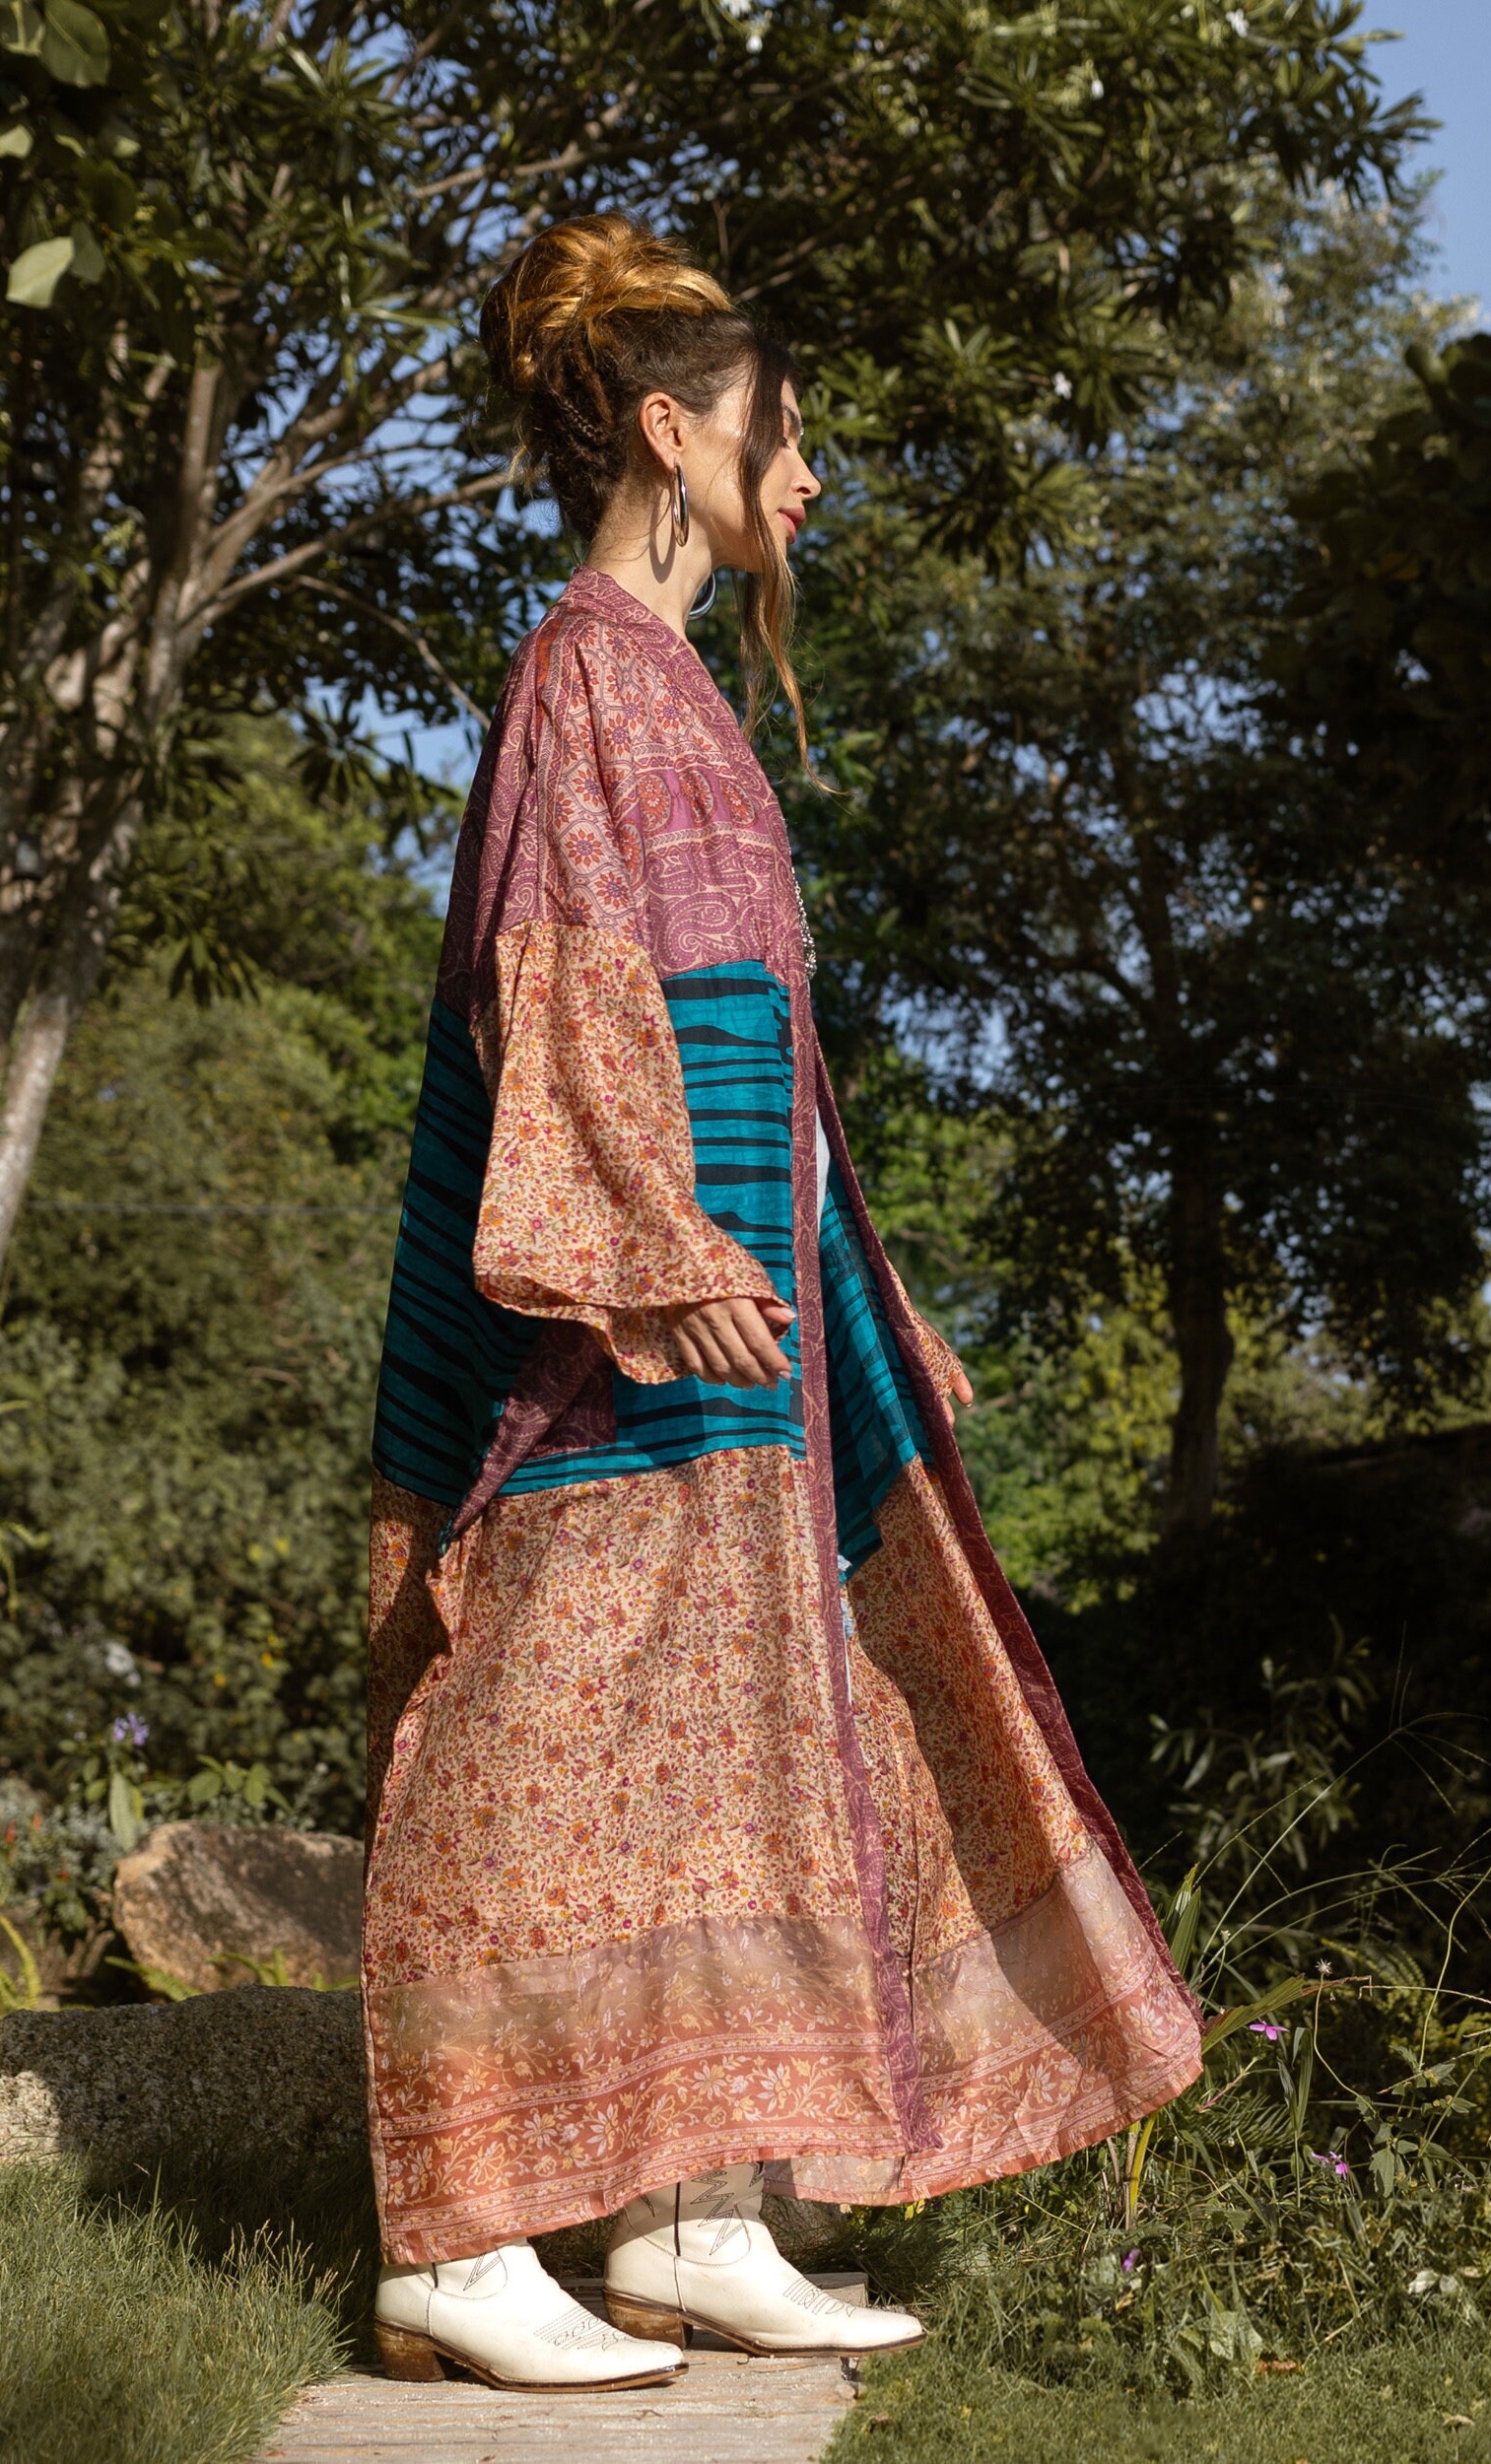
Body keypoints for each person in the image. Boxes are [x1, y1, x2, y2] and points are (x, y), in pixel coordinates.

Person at [364, 214, 1201, 2393]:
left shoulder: (682, 689)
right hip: (612, 1330)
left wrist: (848, 1289)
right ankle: (459, 2237)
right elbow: (556, 987)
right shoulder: (577, 668)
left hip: (747, 1327)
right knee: (536, 1741)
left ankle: (691, 2211)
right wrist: (652, 1242)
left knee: (737, 1748)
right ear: (674, 431)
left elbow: (767, 1046)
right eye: (783, 432)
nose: (808, 477)